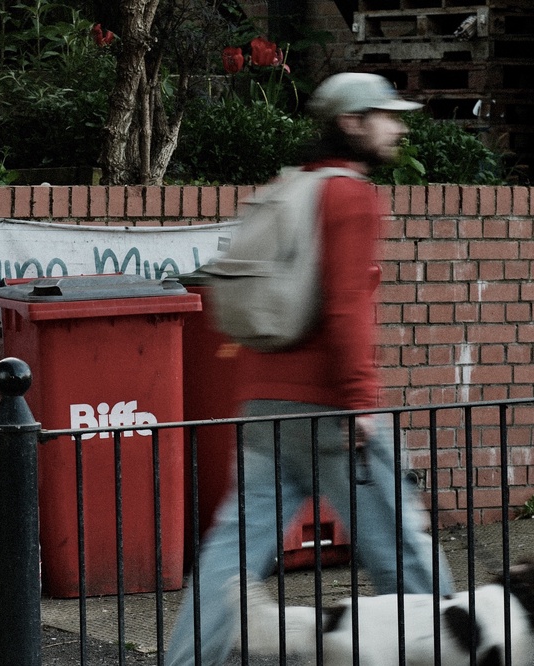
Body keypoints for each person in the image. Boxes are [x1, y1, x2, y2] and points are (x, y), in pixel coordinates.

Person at [166, 72, 456, 664]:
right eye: (385, 117)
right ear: (351, 123)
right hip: (330, 409)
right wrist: (361, 401)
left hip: (263, 405)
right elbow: (346, 307)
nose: (397, 128)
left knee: (230, 552)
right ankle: (459, 651)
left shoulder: (290, 185)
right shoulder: (350, 195)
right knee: (402, 553)